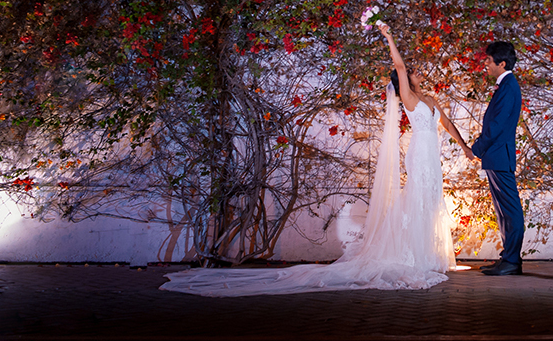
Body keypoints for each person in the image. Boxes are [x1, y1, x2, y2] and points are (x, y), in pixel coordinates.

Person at [159, 22, 472, 296]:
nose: (418, 71)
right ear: (403, 80)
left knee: (431, 201)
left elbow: (446, 123)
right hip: (419, 156)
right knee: (416, 199)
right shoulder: (408, 97)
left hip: (433, 157)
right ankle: (412, 256)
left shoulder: (431, 99)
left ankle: (429, 254)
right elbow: (401, 68)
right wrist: (388, 36)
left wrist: (466, 147)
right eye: (413, 70)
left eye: (417, 70)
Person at [471, 40, 525, 276]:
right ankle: (508, 257)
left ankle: (512, 260)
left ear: (501, 63)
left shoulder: (509, 86)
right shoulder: (506, 85)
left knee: (511, 211)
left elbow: (496, 125)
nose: (485, 64)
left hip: (500, 156)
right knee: (503, 211)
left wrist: (476, 148)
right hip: (496, 157)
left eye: (488, 61)